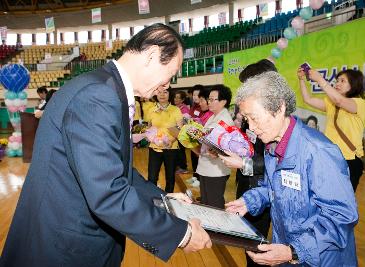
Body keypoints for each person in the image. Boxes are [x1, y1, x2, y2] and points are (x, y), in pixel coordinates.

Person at [0, 24, 211, 267]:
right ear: (152, 55)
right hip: (65, 248)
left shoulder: (103, 87)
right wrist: (181, 235)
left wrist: (163, 200)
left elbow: (116, 170)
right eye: (170, 74)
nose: (167, 84)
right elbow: (108, 192)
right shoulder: (99, 95)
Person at [225, 71, 358, 266]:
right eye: (247, 119)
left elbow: (341, 217)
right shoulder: (273, 146)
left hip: (323, 259)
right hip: (288, 251)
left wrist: (294, 251)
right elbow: (274, 188)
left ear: (279, 108)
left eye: (254, 118)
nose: (251, 127)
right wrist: (249, 201)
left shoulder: (318, 151)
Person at [220, 58, 277, 267]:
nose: (244, 90)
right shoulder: (248, 115)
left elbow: (275, 160)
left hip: (264, 187)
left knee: (258, 244)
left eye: (247, 85)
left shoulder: (277, 120)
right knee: (247, 238)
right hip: (247, 184)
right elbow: (247, 143)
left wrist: (244, 163)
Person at [298, 68, 365, 191]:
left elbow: (339, 100)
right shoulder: (331, 103)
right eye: (337, 80)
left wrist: (320, 79)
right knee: (326, 194)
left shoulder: (359, 103)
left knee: (344, 200)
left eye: (342, 81)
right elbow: (307, 99)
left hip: (349, 159)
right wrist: (301, 79)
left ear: (354, 84)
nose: (337, 84)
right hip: (330, 156)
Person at [196, 84, 233, 209]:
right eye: (209, 99)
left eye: (212, 99)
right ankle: (208, 229)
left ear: (223, 102)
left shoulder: (225, 120)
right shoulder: (213, 116)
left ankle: (217, 229)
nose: (209, 102)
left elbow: (225, 146)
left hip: (216, 169)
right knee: (206, 202)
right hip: (207, 166)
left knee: (215, 204)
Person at [147, 88, 183, 193]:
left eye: (165, 92)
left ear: (169, 94)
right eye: (159, 92)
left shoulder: (176, 110)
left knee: (170, 176)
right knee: (152, 177)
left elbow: (180, 129)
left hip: (171, 147)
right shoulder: (151, 110)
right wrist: (151, 137)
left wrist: (171, 141)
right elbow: (149, 128)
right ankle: (153, 197)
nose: (162, 95)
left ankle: (169, 198)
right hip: (154, 147)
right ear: (156, 94)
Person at [173, 90, 190, 174]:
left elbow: (185, 121)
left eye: (178, 97)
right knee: (177, 150)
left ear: (182, 100)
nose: (175, 99)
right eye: (175, 97)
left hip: (181, 133)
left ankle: (183, 167)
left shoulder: (184, 109)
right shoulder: (175, 108)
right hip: (175, 132)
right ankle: (179, 166)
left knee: (181, 151)